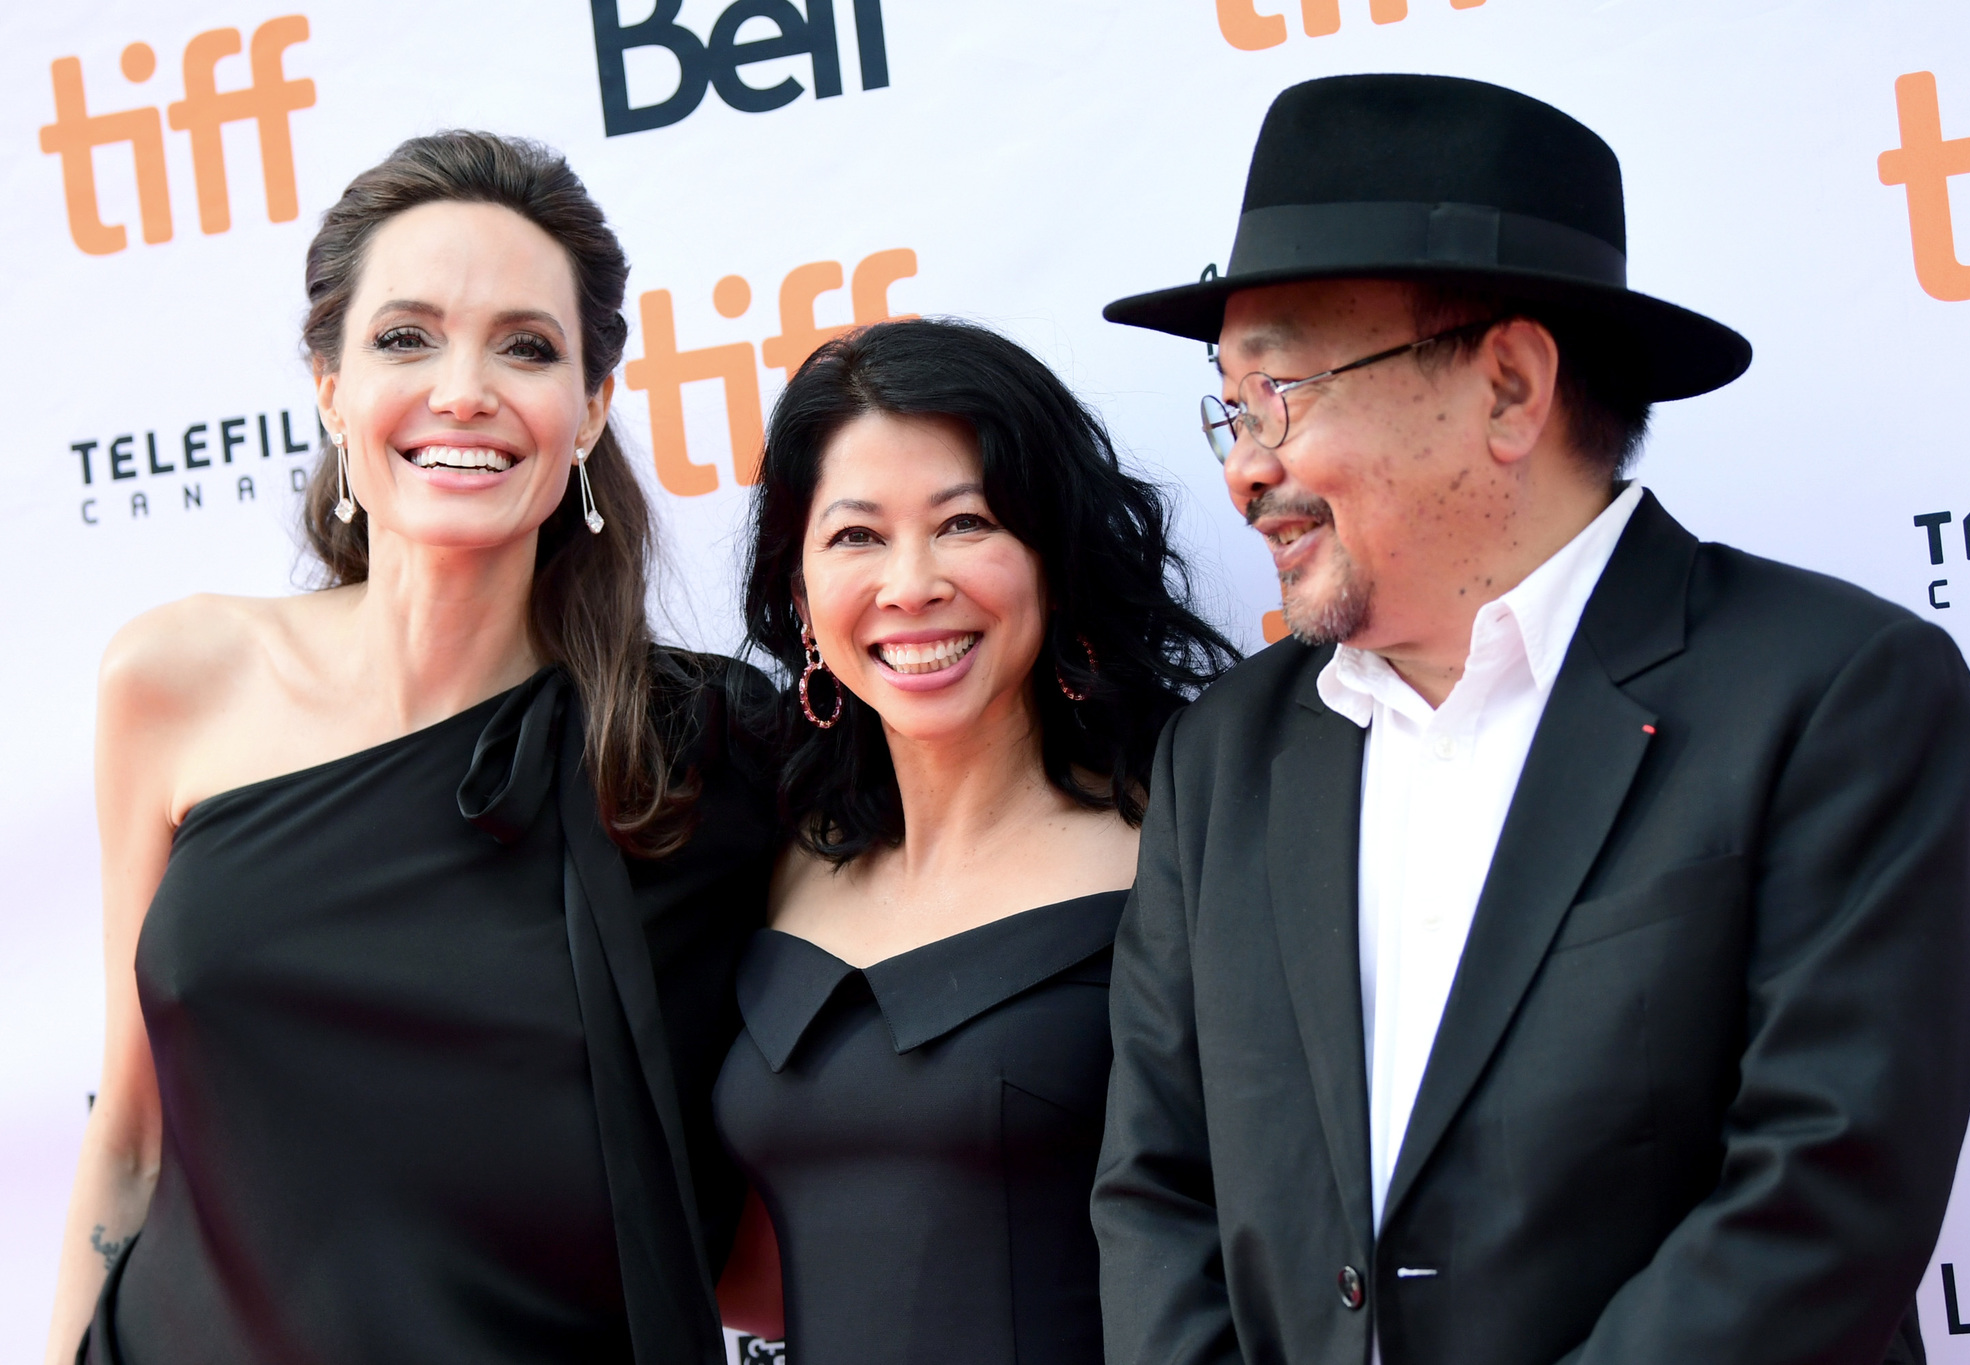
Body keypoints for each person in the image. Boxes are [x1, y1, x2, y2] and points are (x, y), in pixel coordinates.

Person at [1091, 74, 1970, 1365]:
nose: (1245, 464)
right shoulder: (1225, 755)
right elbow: (1160, 1193)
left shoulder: (1831, 691)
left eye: (1284, 391)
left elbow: (1822, 1195)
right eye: (1231, 406)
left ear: (1509, 387)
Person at [44, 132, 775, 1365]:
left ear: (591, 408)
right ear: (327, 383)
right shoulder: (175, 680)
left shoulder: (694, 751)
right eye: (405, 337)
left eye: (527, 348)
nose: (464, 390)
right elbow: (130, 1141)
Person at [710, 318, 1236, 1365]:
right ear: (801, 592)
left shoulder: (1182, 842)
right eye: (855, 536)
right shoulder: (767, 851)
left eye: (964, 523)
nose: (910, 584)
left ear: (1052, 555)